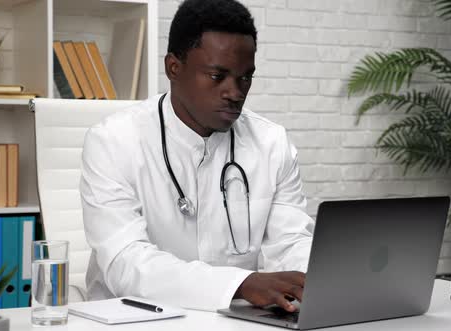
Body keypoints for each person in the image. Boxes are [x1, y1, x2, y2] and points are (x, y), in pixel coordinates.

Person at [80, 0, 313, 312]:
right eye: (218, 76)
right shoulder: (113, 142)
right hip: (134, 318)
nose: (235, 92)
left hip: (239, 319)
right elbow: (126, 261)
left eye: (245, 77)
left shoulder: (273, 144)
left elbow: (290, 243)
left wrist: (309, 278)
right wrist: (241, 285)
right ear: (174, 68)